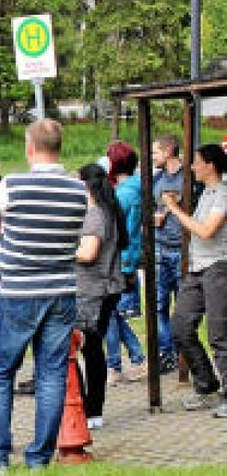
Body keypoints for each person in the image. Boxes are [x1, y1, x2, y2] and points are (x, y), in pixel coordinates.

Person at [0, 120, 87, 473]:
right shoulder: (77, 189)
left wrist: (7, 228)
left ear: (30, 147)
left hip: (19, 290)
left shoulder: (13, 184)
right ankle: (38, 458)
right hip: (61, 290)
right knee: (51, 374)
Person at [161, 143, 227, 418]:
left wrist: (174, 210)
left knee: (219, 334)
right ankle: (205, 383)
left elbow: (207, 231)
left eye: (196, 162)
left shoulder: (223, 193)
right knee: (180, 328)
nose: (192, 167)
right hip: (198, 269)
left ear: (210, 165)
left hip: (218, 267)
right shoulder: (206, 194)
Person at [74, 163, 127, 430]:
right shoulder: (108, 210)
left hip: (94, 291)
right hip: (106, 288)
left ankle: (91, 408)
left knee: (90, 350)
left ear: (86, 184)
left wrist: (62, 248)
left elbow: (88, 253)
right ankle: (92, 407)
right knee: (93, 351)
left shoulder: (95, 214)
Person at [104, 141, 146, 384]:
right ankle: (135, 358)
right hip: (125, 256)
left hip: (120, 258)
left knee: (110, 313)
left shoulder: (124, 194)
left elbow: (119, 229)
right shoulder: (134, 187)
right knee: (112, 313)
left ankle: (117, 365)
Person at [151, 134, 185, 372]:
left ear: (169, 151)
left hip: (182, 248)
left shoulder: (189, 177)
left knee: (183, 305)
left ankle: (184, 354)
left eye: (155, 152)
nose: (153, 157)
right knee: (159, 304)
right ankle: (167, 353)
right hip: (161, 248)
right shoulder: (157, 179)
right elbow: (152, 208)